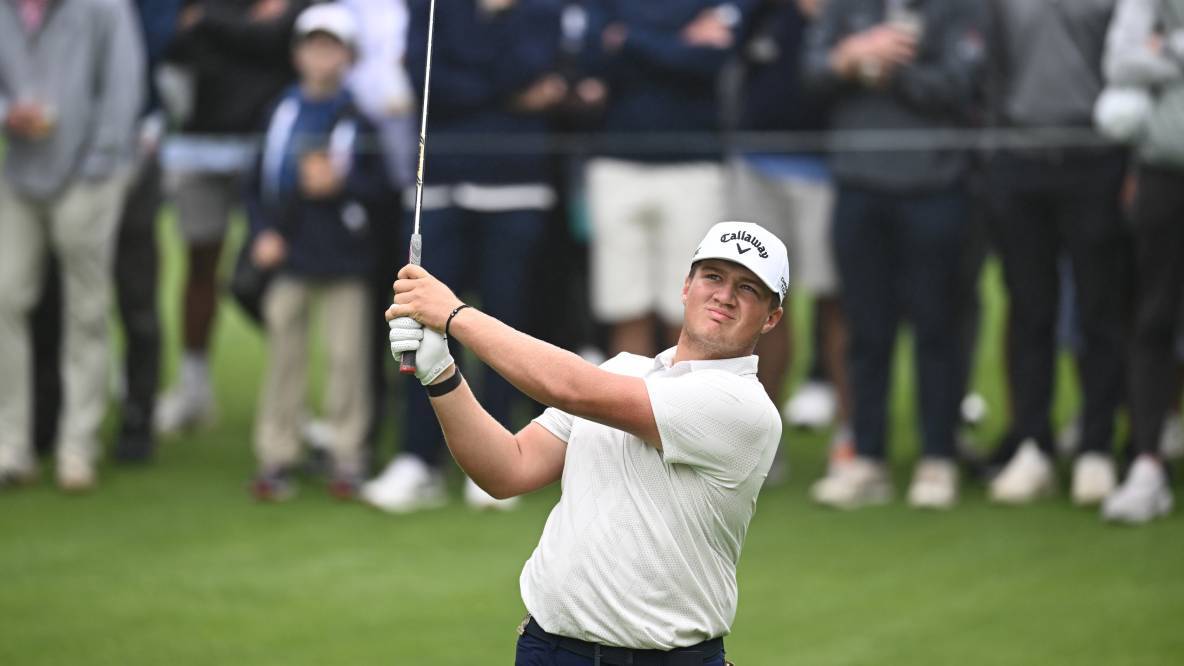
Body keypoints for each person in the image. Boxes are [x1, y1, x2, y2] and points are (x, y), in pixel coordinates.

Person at [386, 220, 786, 664]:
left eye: (747, 288)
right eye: (713, 276)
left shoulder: (743, 407)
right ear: (686, 286)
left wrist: (455, 314)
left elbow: (572, 388)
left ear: (771, 317)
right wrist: (440, 374)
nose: (725, 296)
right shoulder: (622, 370)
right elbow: (509, 468)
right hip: (548, 648)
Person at [360, 0, 564, 513]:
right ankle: (418, 457)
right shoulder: (432, 6)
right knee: (420, 321)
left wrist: (494, 35)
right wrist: (508, 94)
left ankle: (500, 455)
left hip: (515, 186)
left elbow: (534, 67)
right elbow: (429, 82)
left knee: (503, 324)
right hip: (440, 184)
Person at [803, 0, 986, 510]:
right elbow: (812, 74)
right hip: (858, 187)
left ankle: (938, 457)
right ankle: (867, 458)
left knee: (937, 329)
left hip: (937, 189)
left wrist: (880, 67)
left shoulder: (958, 9)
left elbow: (958, 87)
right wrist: (854, 59)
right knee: (866, 331)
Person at [981, 0, 1129, 507]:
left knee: (1100, 311)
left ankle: (1096, 447)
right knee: (1029, 312)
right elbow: (993, 73)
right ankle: (1033, 445)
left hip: (1096, 160)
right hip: (1020, 163)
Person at [244, 3, 389, 501]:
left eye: (332, 47)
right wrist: (262, 232)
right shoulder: (280, 112)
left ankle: (348, 454)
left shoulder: (358, 119)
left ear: (348, 56)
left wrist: (341, 183)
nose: (321, 56)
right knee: (284, 355)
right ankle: (276, 453)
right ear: (297, 54)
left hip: (345, 257)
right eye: (313, 46)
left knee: (347, 358)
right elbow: (256, 183)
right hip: (290, 254)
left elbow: (379, 190)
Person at [0, 0, 145, 491]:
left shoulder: (106, 8)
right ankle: (10, 446)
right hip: (19, 172)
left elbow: (123, 87)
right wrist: (7, 113)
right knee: (5, 299)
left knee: (85, 311)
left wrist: (97, 165)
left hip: (90, 176)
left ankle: (77, 446)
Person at [156, 0, 308, 434]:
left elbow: (281, 38)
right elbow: (174, 43)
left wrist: (210, 24)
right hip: (200, 147)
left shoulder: (219, 15)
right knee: (200, 268)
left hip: (267, 147)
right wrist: (240, 29)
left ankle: (290, 403)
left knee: (278, 274)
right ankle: (193, 390)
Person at [585, 1, 752, 359]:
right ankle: (629, 398)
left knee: (693, 311)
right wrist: (678, 42)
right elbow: (591, 53)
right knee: (624, 306)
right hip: (617, 163)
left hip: (694, 168)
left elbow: (708, 60)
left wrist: (629, 39)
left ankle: (681, 398)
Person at [729, 0, 854, 464]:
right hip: (757, 163)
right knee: (759, 301)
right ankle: (761, 440)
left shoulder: (848, 12)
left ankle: (852, 437)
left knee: (837, 302)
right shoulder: (761, 11)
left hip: (830, 169)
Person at [1100, 0, 1184, 524]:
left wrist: (1165, 47)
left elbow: (1142, 58)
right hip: (1162, 172)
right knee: (1152, 318)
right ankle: (1147, 464)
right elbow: (1119, 61)